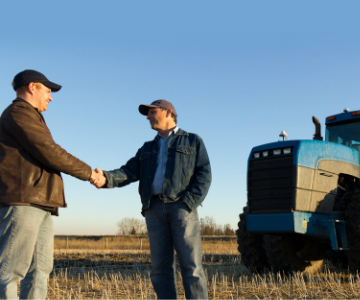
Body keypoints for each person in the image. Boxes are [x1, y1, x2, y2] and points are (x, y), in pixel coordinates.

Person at [91, 99, 211, 299]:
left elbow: (204, 173)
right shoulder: (147, 148)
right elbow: (129, 171)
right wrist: (106, 178)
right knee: (160, 269)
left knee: (192, 267)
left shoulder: (192, 140)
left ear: (168, 112)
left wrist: (189, 202)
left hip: (182, 208)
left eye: (151, 112)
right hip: (153, 208)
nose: (148, 117)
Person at [0, 69, 102, 299]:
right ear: (32, 87)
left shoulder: (31, 116)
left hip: (40, 202)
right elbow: (49, 151)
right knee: (9, 271)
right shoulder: (18, 113)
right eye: (47, 90)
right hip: (23, 200)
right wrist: (90, 173)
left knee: (39, 271)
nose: (51, 97)